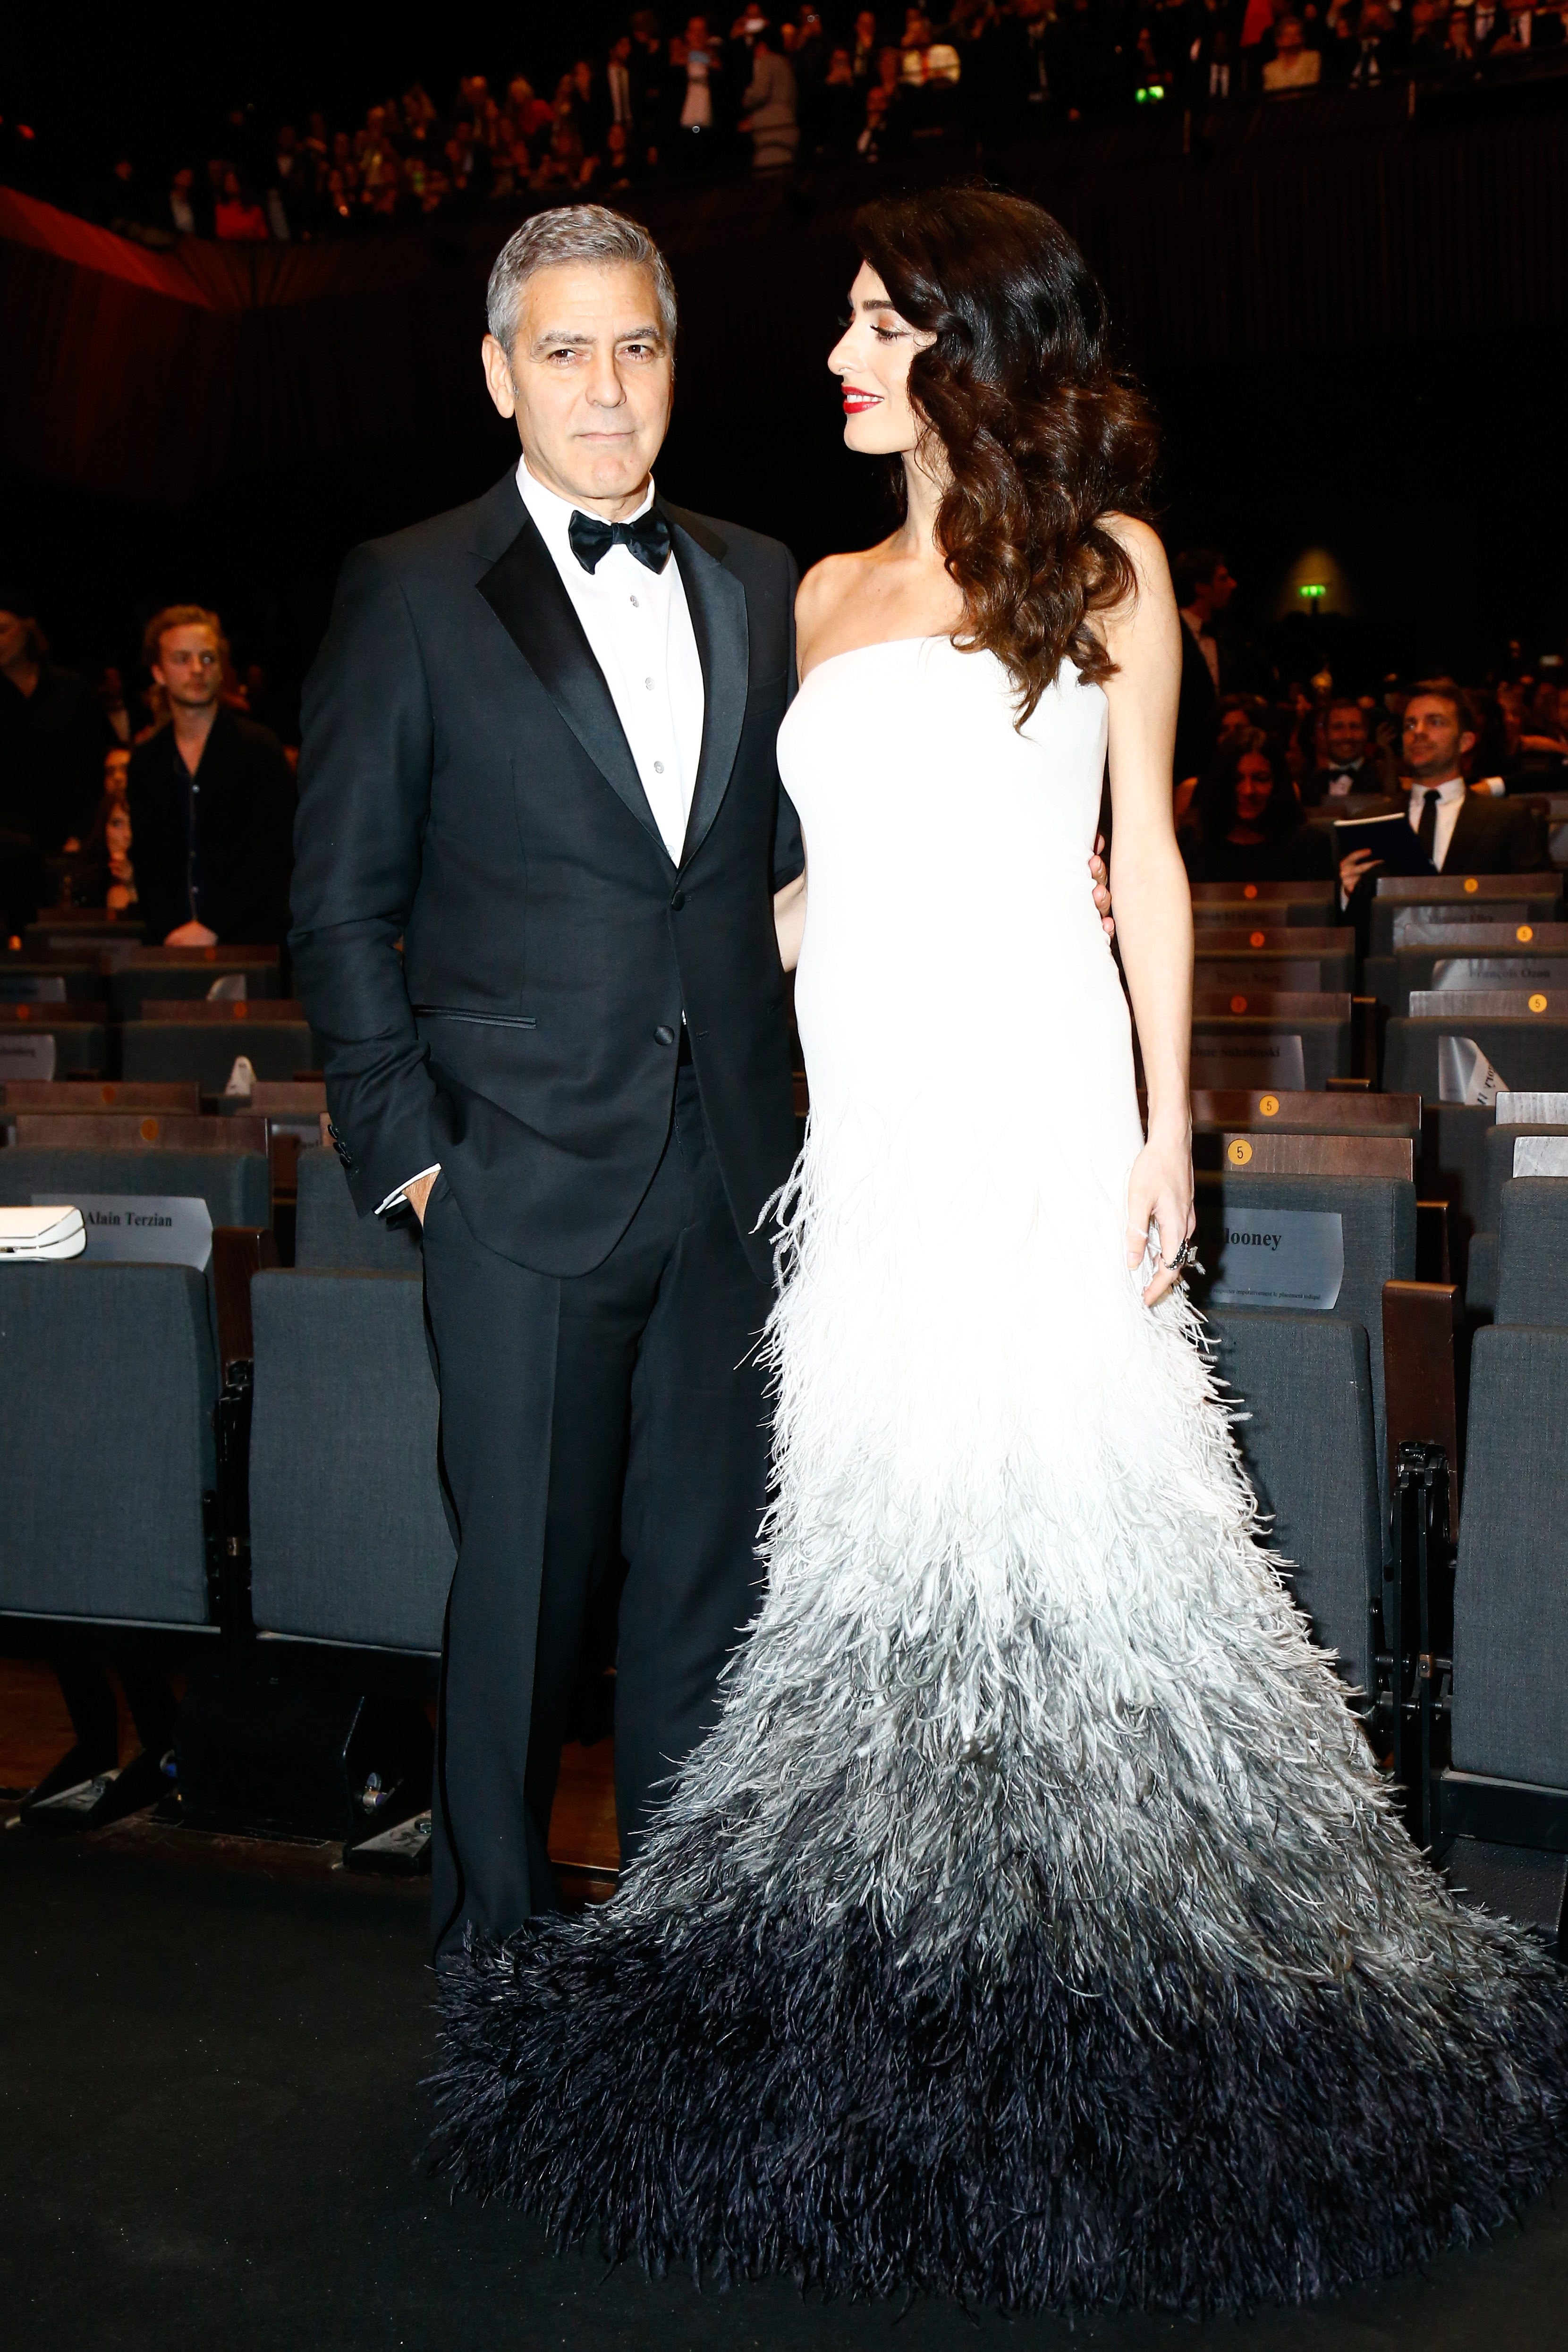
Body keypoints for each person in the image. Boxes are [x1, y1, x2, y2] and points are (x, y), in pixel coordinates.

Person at [429, 187, 1568, 2310]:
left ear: (973, 340)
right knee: (890, 1547)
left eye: (879, 325)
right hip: (861, 1130)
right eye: (850, 325)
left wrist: (1166, 1133)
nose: (842, 360)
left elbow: (1143, 861)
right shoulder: (822, 591)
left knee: (1074, 1543)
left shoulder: (1104, 567)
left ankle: (1142, 2018)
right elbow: (796, 883)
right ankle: (930, 2003)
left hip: (1034, 1113)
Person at [291, 204, 1113, 1970]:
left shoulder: (762, 579)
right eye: (565, 351)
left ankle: (673, 1977)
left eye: (638, 347)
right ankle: (495, 1977)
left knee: (701, 1606)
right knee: (515, 1604)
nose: (606, 389)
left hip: (737, 1180)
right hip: (513, 1190)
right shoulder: (407, 587)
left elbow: (821, 872)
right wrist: (413, 1161)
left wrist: (1028, 866)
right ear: (500, 372)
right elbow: (339, 909)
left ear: (675, 366)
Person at [125, 605, 297, 945]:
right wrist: (170, 932)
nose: (197, 670)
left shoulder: (258, 748)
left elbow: (275, 853)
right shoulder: (147, 761)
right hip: (171, 945)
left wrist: (212, 925)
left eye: (208, 658)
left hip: (252, 943)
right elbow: (147, 860)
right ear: (158, 672)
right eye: (182, 659)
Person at [1337, 680, 1548, 906]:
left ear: (1465, 742)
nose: (1418, 732)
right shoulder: (1370, 824)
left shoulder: (1510, 820)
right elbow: (1354, 927)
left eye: (1435, 722)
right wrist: (1347, 896)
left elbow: (1540, 908)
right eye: (1410, 725)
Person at [1184, 727, 1332, 882]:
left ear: (1278, 783)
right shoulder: (1193, 844)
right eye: (1236, 779)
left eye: (1261, 779)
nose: (1248, 791)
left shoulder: (1310, 846)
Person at [1300, 693, 1393, 803]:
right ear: (1326, 734)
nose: (1348, 736)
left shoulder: (1384, 779)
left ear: (1366, 732)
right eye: (1338, 728)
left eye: (1355, 727)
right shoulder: (1309, 783)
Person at [739, 21, 799, 169]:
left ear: (762, 46)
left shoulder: (768, 61)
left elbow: (760, 94)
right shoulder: (787, 66)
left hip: (772, 134)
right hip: (788, 130)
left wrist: (747, 97)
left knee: (768, 183)